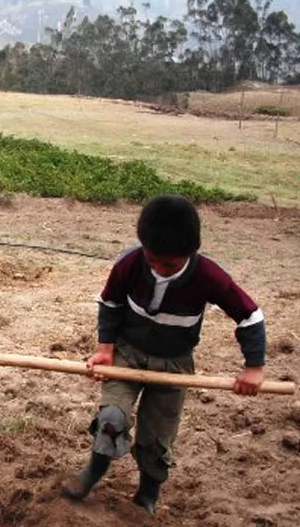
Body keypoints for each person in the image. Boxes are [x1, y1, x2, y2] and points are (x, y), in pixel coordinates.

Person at [61, 195, 266, 515]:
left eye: (169, 264)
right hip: (128, 355)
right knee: (111, 420)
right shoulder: (130, 263)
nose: (157, 268)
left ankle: (147, 495)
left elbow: (250, 316)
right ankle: (92, 473)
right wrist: (105, 350)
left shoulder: (209, 276)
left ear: (191, 251)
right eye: (152, 259)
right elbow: (110, 303)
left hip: (174, 365)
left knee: (156, 441)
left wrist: (253, 367)